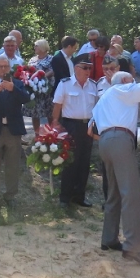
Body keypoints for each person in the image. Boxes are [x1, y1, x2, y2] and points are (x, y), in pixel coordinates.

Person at [90, 71, 140, 267]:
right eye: (132, 79)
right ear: (124, 80)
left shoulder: (104, 98)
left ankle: (109, 238)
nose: (134, 81)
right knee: (131, 194)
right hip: (120, 140)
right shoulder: (123, 88)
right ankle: (134, 248)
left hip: (105, 142)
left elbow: (90, 129)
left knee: (114, 192)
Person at [0, 54, 31, 208]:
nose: (3, 69)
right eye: (0, 67)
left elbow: (26, 99)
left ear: (10, 68)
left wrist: (13, 89)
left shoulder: (17, 83)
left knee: (12, 165)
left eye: (6, 66)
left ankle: (10, 196)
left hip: (13, 130)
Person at [52, 53, 99, 207]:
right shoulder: (65, 84)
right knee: (70, 161)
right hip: (71, 126)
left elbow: (97, 107)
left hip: (88, 127)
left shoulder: (93, 85)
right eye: (85, 68)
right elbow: (57, 105)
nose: (88, 71)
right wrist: (55, 123)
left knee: (84, 162)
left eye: (90, 68)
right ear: (76, 68)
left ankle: (79, 196)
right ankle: (65, 197)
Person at [28, 38, 55, 133]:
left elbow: (53, 71)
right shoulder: (32, 59)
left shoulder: (51, 59)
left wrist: (41, 77)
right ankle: (37, 135)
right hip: (35, 90)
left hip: (47, 89)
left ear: (43, 47)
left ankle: (52, 134)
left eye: (36, 46)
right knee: (35, 114)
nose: (34, 47)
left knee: (50, 113)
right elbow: (28, 70)